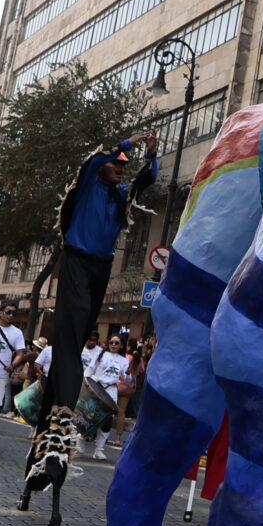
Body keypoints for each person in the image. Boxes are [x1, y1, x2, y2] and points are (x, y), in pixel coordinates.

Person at [42, 139, 155, 411]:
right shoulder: (87, 186)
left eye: (123, 166)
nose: (120, 168)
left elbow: (148, 177)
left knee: (81, 329)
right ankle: (64, 404)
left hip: (101, 267)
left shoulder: (122, 194)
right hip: (76, 261)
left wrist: (151, 151)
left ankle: (50, 401)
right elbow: (92, 160)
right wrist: (127, 144)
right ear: (101, 168)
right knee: (76, 316)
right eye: (115, 163)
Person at [79, 327, 130, 459]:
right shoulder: (101, 354)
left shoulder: (124, 361)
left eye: (116, 343)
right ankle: (81, 439)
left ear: (121, 345)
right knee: (88, 415)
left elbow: (127, 379)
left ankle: (99, 449)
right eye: (111, 342)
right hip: (96, 387)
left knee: (106, 419)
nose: (113, 345)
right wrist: (86, 382)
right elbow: (90, 369)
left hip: (111, 390)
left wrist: (130, 374)